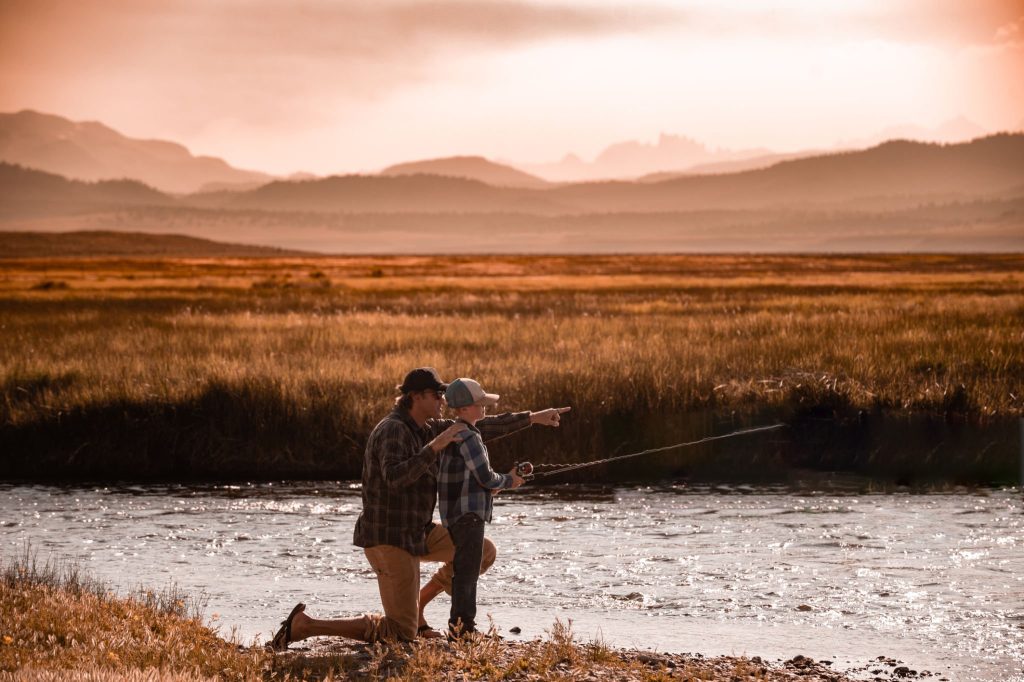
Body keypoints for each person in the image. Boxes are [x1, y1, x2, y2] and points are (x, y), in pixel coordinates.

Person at [271, 367, 570, 649]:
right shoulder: (393, 430)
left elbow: (478, 426)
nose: (443, 400)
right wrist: (435, 448)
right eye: (436, 395)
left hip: (417, 533)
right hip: (388, 538)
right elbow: (395, 478)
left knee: (482, 551)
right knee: (401, 633)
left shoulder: (426, 428)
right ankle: (305, 626)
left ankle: (419, 603)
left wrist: (534, 417)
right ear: (416, 397)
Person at [438, 377, 528, 637]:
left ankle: (460, 625)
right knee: (467, 572)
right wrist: (509, 481)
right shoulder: (469, 437)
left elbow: (474, 479)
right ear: (464, 409)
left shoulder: (453, 434)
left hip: (456, 514)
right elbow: (486, 476)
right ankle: (463, 628)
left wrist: (494, 484)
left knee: (463, 569)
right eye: (480, 404)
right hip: (469, 516)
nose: (485, 408)